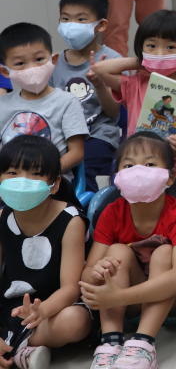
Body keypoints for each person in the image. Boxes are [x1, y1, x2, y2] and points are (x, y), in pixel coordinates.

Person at [82, 132, 176, 367]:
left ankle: (143, 344)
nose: (138, 171)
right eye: (129, 165)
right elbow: (88, 272)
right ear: (118, 176)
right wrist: (98, 272)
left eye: (150, 164)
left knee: (163, 252)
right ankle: (110, 343)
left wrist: (118, 296)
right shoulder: (111, 212)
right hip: (131, 304)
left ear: (170, 177)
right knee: (117, 252)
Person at [90, 10, 176, 214]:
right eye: (152, 45)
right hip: (137, 169)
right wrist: (142, 61)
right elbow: (99, 69)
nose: (160, 53)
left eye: (170, 47)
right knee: (107, 212)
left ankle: (174, 244)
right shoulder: (135, 84)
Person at [0, 136, 90, 367]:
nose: (23, 181)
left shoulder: (71, 221)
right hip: (10, 306)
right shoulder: (3, 216)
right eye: (12, 173)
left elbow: (71, 287)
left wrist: (42, 311)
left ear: (55, 184)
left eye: (36, 174)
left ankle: (14, 348)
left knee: (76, 321)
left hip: (54, 307)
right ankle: (22, 352)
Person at [51, 0, 121, 190]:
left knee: (88, 169)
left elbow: (116, 112)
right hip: (63, 137)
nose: (71, 25)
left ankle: (89, 212)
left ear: (101, 25)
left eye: (81, 19)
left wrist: (100, 84)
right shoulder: (53, 63)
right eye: (65, 19)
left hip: (99, 135)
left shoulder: (113, 60)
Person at [0, 23, 87, 176]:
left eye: (39, 59)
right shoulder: (2, 105)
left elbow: (77, 152)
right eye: (20, 63)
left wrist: (44, 175)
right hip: (9, 185)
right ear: (5, 71)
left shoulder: (67, 102)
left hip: (52, 183)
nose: (31, 67)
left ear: (53, 60)